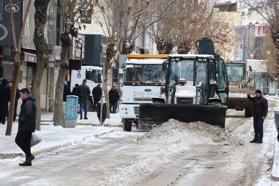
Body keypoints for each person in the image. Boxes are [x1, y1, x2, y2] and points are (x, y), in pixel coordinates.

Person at [15, 88, 36, 166]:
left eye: (21, 94)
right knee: (26, 143)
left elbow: (28, 113)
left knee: (18, 140)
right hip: (27, 126)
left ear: (25, 94)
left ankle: (29, 155)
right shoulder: (28, 102)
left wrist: (21, 119)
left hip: (25, 127)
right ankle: (28, 161)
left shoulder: (29, 102)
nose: (20, 96)